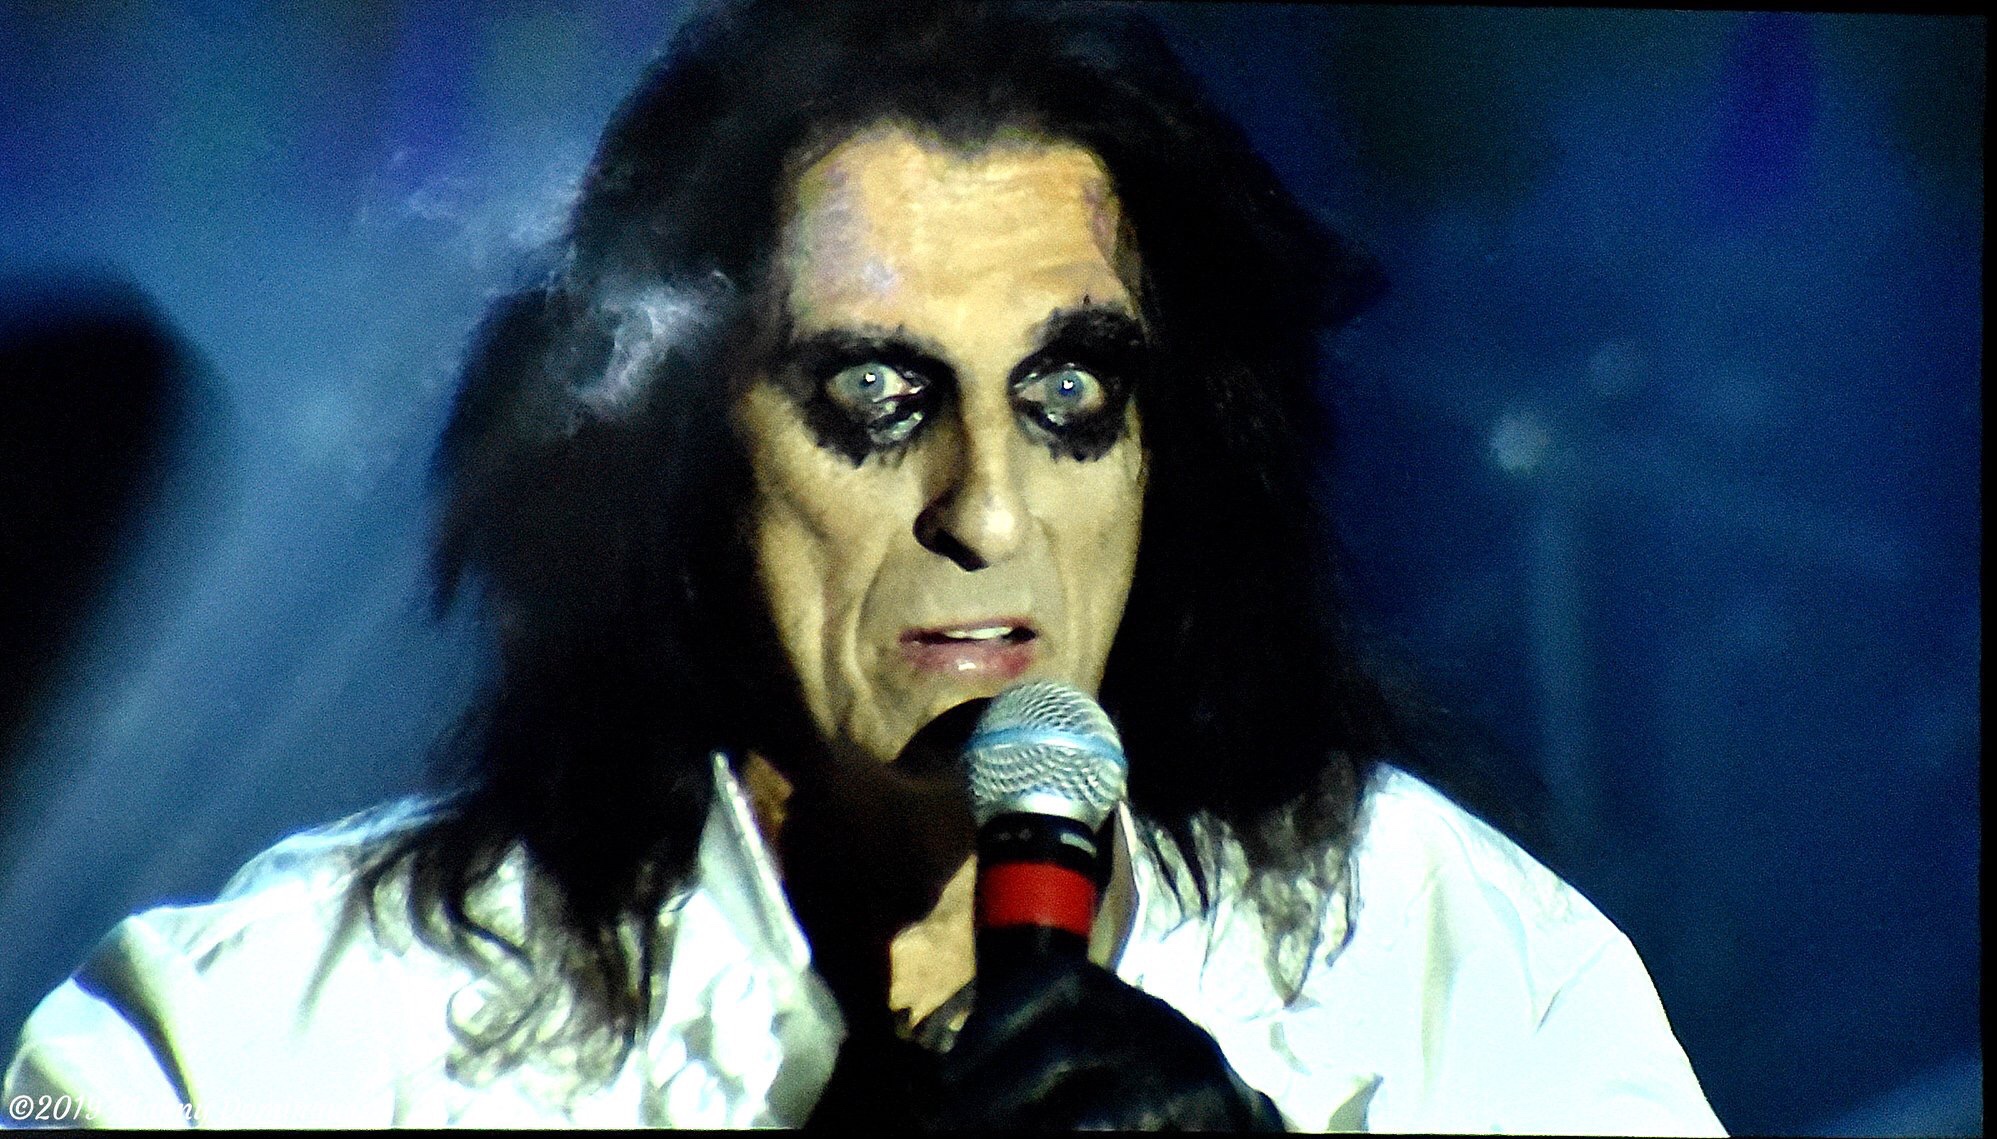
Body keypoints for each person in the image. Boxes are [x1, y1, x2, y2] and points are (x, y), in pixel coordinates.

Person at [4, 1, 1725, 1131]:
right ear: (682, 462)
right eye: (878, 399)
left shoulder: (1457, 964)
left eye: (1069, 396)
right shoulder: (276, 1023)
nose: (989, 511)